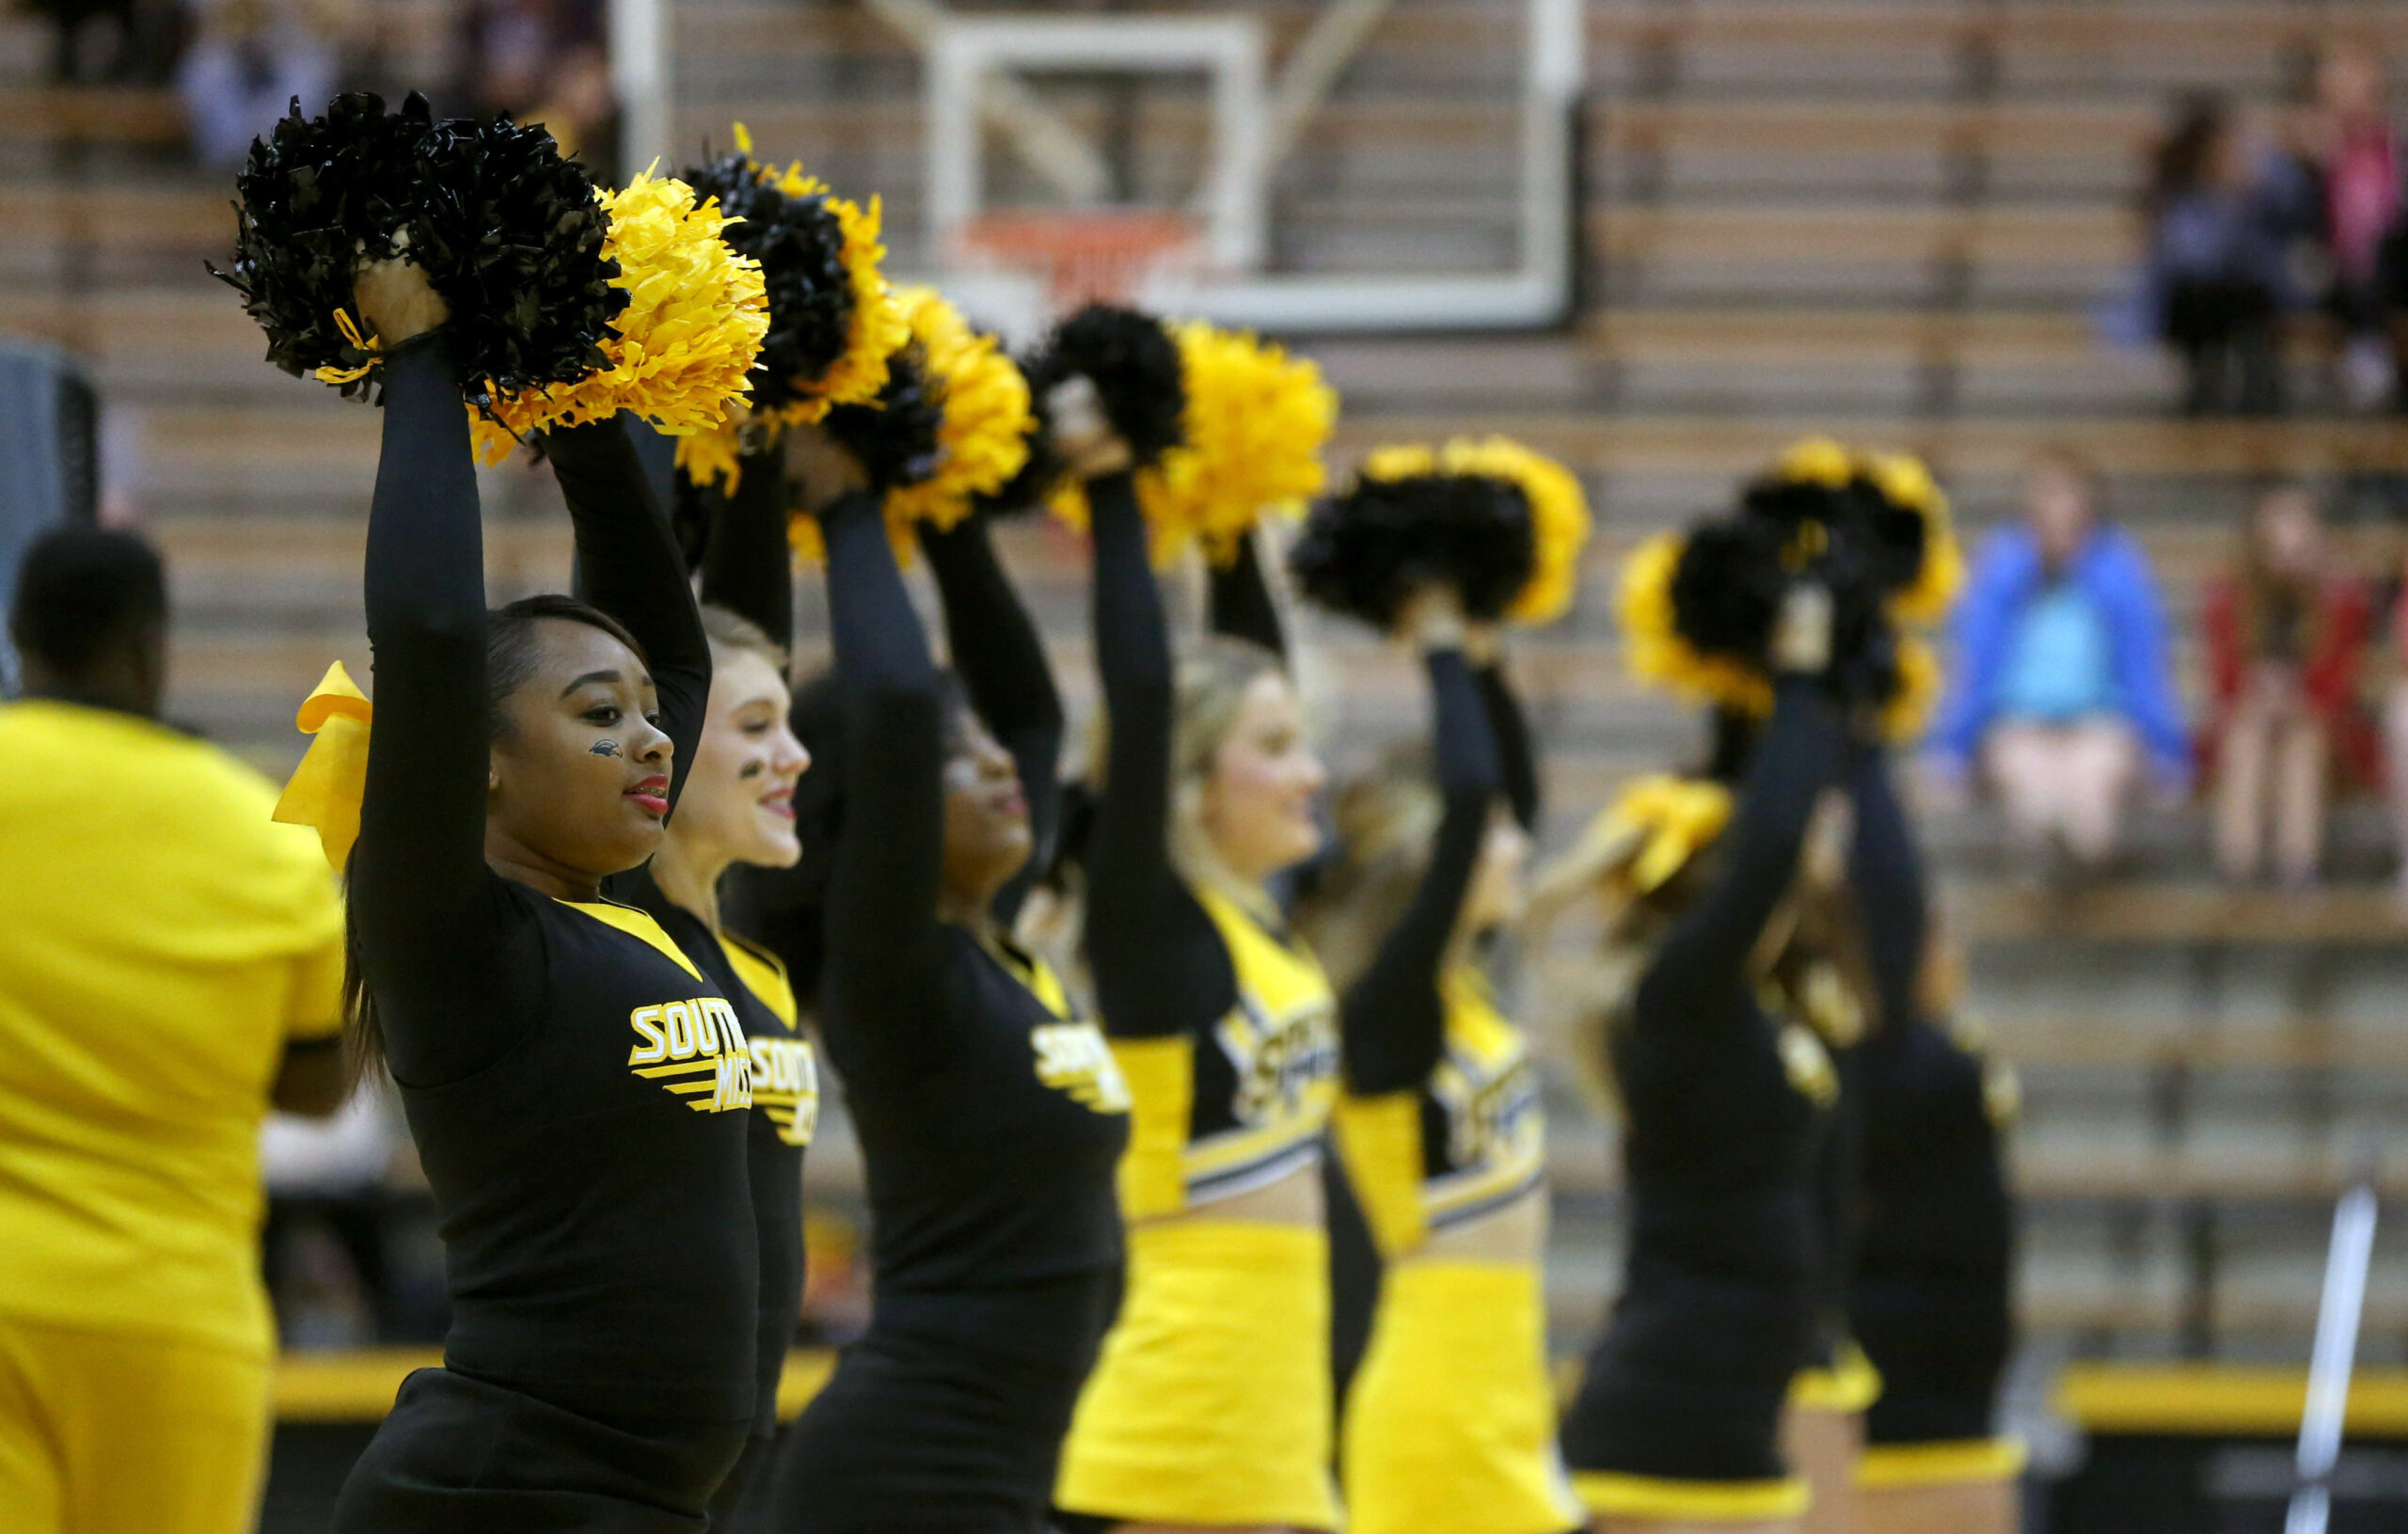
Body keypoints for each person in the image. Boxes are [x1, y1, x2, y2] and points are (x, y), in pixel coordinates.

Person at [320, 258, 763, 1529]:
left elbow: (671, 646)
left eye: (646, 717)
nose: (653, 737)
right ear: (483, 761)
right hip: (502, 1491)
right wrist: (420, 358)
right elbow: (431, 634)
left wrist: (576, 391)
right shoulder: (459, 933)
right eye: (597, 714)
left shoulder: (628, 910)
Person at [759, 426, 1132, 1534]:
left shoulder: (998, 943)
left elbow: (1035, 718)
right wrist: (848, 503)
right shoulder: (890, 974)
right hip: (910, 1470)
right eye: (958, 762)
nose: (1001, 770)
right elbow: (899, 710)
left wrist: (954, 507)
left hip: (1007, 1475)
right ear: (873, 811)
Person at [0, 525, 347, 1534]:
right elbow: (318, 1092)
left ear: (20, 635)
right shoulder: (267, 841)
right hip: (170, 1317)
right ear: (153, 646)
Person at [1053, 395, 1344, 1534]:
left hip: (1270, 1386)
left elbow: (1248, 663)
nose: (1311, 772)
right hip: (1189, 1392)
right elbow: (1141, 696)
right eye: (1274, 749)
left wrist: (1228, 511)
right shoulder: (1153, 929)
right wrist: (1118, 491)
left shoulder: (1255, 921)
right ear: (1189, 782)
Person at [1541, 584, 1846, 1534]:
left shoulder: (1732, 1003)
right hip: (1667, 1415)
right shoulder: (1680, 995)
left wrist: (1747, 693)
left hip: (1733, 1409)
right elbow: (1767, 851)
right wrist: (1802, 677)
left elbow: (1758, 839)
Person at [1298, 597, 1578, 1534]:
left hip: (1510, 1377)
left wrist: (1490, 653)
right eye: (1496, 833)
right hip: (1433, 1391)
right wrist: (1442, 647)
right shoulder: (1389, 1012)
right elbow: (1472, 803)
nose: (1519, 844)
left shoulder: (1466, 985)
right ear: (1435, 860)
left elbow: (1509, 791)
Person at [605, 451, 816, 1528]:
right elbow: (648, 620)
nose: (797, 754)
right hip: (618, 1456)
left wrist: (761, 431)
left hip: (742, 1458)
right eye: (754, 727)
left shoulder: (761, 963)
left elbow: (746, 614)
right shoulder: (618, 915)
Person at [1844, 749, 2021, 1534]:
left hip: (1958, 1377)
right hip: (1903, 1384)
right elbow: (1885, 907)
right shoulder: (1903, 1064)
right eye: (1937, 938)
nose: (1955, 956)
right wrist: (1862, 760)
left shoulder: (1946, 1054)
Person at [1930, 450, 2189, 884]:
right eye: (2047, 495)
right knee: (2031, 789)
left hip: (2101, 722)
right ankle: (2048, 866)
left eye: (2068, 495)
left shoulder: (2120, 569)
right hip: (2017, 722)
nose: (2058, 509)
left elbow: (2144, 668)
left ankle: (2080, 866)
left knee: (2091, 790)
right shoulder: (2001, 567)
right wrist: (1951, 748)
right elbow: (1974, 670)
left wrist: (2165, 748)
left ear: (2090, 504)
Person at [2199, 482, 2376, 887]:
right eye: (2279, 527)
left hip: (2321, 729)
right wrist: (2260, 697)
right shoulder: (2229, 596)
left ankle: (2298, 866)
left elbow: (2342, 682)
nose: (2290, 540)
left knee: (2304, 739)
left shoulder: (2341, 596)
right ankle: (2237, 864)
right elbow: (2224, 680)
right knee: (2247, 736)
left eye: (2299, 527)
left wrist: (2298, 698)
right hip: (2251, 721)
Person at [2138, 92, 2313, 416]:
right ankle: (2204, 378)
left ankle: (2257, 380)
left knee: (2251, 297)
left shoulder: (2262, 176)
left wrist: (2255, 186)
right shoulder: (2182, 194)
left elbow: (2298, 213)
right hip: (2202, 296)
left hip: (2255, 292)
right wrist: (2224, 203)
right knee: (2194, 295)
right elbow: (2187, 258)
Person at [2297, 40, 2405, 411]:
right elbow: (2292, 223)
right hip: (2332, 273)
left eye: (2369, 90)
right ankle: (2367, 352)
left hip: (2393, 270)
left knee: (2388, 246)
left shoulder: (2394, 150)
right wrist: (2316, 166)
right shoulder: (2308, 157)